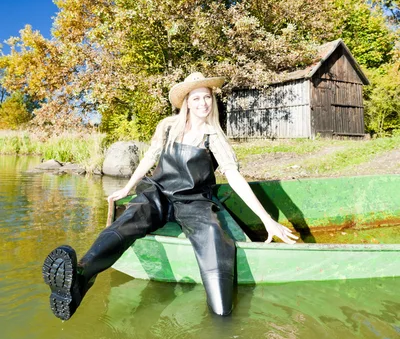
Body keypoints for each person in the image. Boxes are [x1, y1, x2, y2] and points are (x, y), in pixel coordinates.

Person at [42, 72, 297, 321]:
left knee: (213, 236)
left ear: (212, 100)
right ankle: (80, 276)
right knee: (132, 217)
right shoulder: (167, 127)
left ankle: (222, 316)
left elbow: (234, 177)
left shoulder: (214, 136)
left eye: (207, 97)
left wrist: (266, 220)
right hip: (159, 192)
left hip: (195, 200)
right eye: (196, 98)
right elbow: (149, 159)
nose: (203, 103)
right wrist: (128, 188)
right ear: (186, 101)